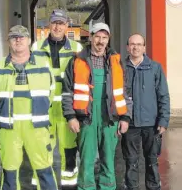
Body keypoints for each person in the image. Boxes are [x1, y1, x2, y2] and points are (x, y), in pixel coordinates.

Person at [62, 22, 132, 190]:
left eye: (105, 37)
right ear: (91, 37)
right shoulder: (77, 60)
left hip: (110, 118)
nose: (101, 41)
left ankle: (108, 187)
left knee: (109, 159)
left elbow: (125, 92)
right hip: (86, 119)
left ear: (108, 40)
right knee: (86, 160)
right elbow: (67, 92)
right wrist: (71, 116)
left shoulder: (116, 62)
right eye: (98, 37)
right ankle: (86, 187)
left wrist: (125, 117)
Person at [0, 25, 58, 190]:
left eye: (22, 37)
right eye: (14, 37)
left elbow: (51, 92)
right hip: (10, 129)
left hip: (37, 128)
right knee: (9, 173)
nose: (18, 40)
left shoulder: (43, 65)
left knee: (44, 171)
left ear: (29, 41)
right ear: (9, 42)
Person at [32, 9, 82, 189]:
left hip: (67, 110)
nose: (57, 26)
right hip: (43, 109)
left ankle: (69, 186)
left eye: (61, 23)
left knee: (69, 152)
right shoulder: (36, 47)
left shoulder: (77, 49)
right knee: (41, 150)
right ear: (48, 25)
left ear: (67, 26)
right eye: (54, 23)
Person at [121, 33, 170, 190]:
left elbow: (163, 95)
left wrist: (163, 120)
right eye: (132, 44)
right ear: (127, 47)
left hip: (151, 123)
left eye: (139, 44)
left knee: (151, 161)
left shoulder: (155, 68)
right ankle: (131, 186)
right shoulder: (120, 68)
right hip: (130, 123)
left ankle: (153, 187)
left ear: (144, 47)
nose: (135, 47)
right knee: (131, 161)